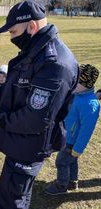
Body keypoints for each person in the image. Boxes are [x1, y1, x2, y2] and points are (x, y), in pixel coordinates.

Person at [0, 0, 78, 209]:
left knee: (11, 200)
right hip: (18, 140)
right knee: (11, 192)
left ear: (31, 26)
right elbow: (14, 82)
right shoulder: (35, 50)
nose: (11, 37)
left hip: (29, 144)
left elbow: (34, 119)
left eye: (13, 31)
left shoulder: (54, 64)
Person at [45, 64, 100, 195]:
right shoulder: (77, 93)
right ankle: (72, 181)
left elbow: (86, 130)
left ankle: (61, 185)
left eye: (77, 81)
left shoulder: (90, 104)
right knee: (72, 162)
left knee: (61, 162)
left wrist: (77, 149)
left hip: (71, 141)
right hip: (66, 135)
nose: (73, 83)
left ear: (86, 84)